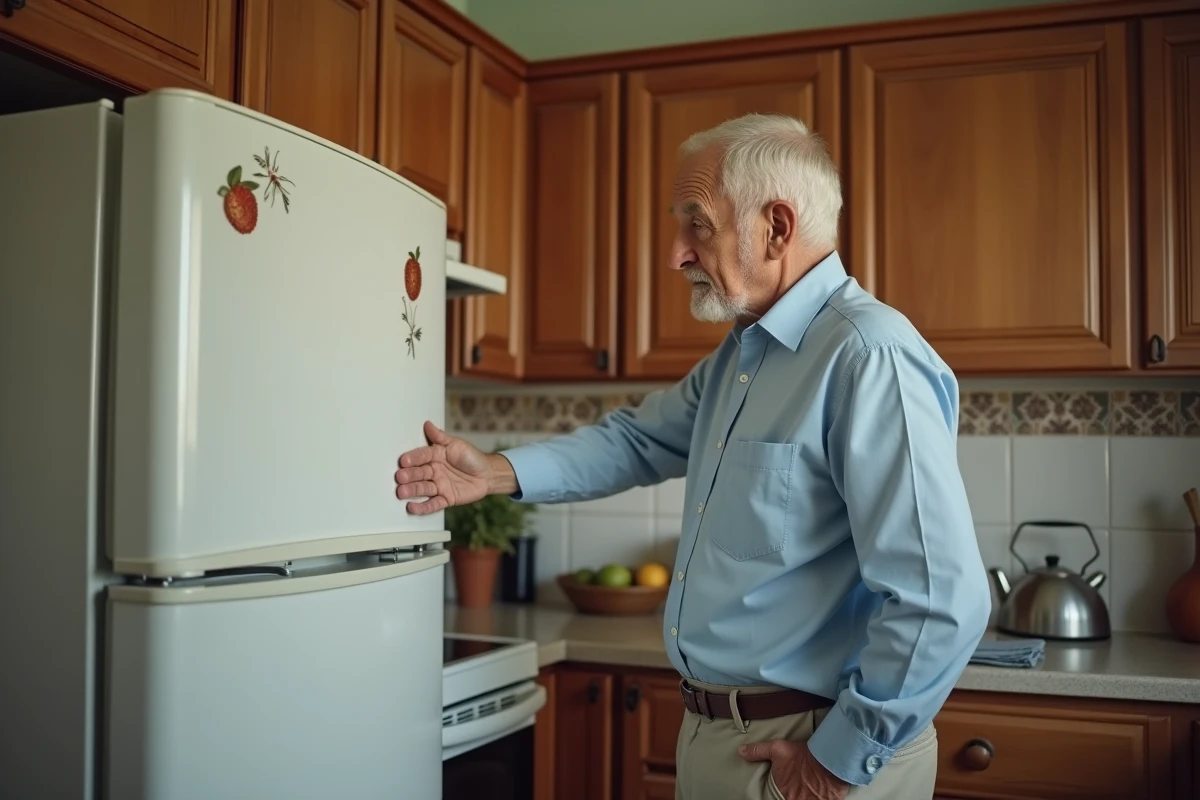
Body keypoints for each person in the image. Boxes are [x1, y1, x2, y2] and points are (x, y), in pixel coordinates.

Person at [394, 113, 991, 800]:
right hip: (724, 736)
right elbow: (637, 441)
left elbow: (940, 600)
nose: (676, 254)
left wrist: (836, 762)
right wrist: (495, 472)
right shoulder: (744, 353)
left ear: (777, 227)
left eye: (697, 225)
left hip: (810, 747)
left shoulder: (868, 355)